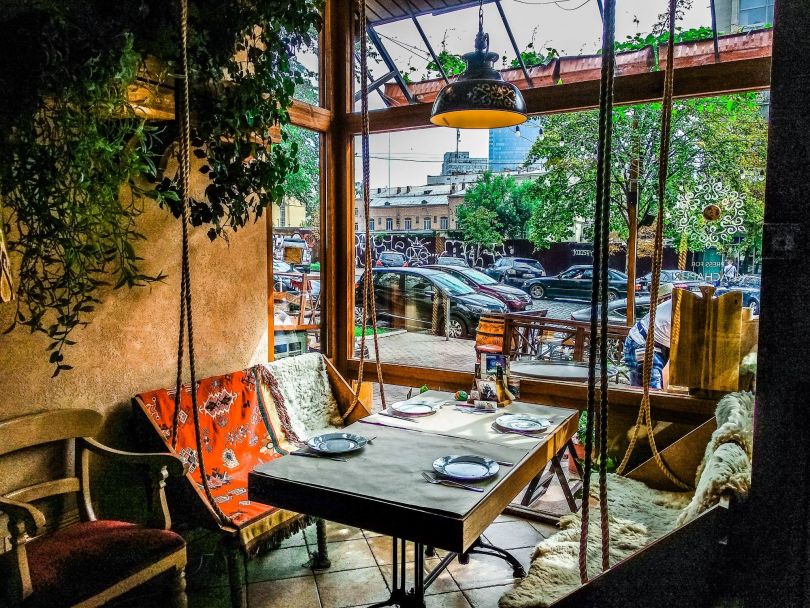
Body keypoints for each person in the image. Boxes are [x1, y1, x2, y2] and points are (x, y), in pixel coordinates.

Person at [623, 283, 674, 390]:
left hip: (652, 345)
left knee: (649, 388)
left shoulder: (665, 310)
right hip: (643, 344)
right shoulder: (666, 311)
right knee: (651, 390)